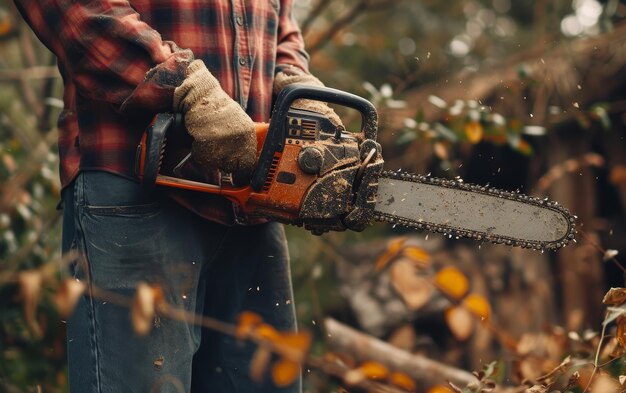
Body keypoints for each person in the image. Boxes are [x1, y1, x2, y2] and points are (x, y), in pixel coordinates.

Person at [14, 0, 342, 391]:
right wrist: (186, 86)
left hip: (251, 201)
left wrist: (295, 84)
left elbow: (280, 18)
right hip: (136, 185)